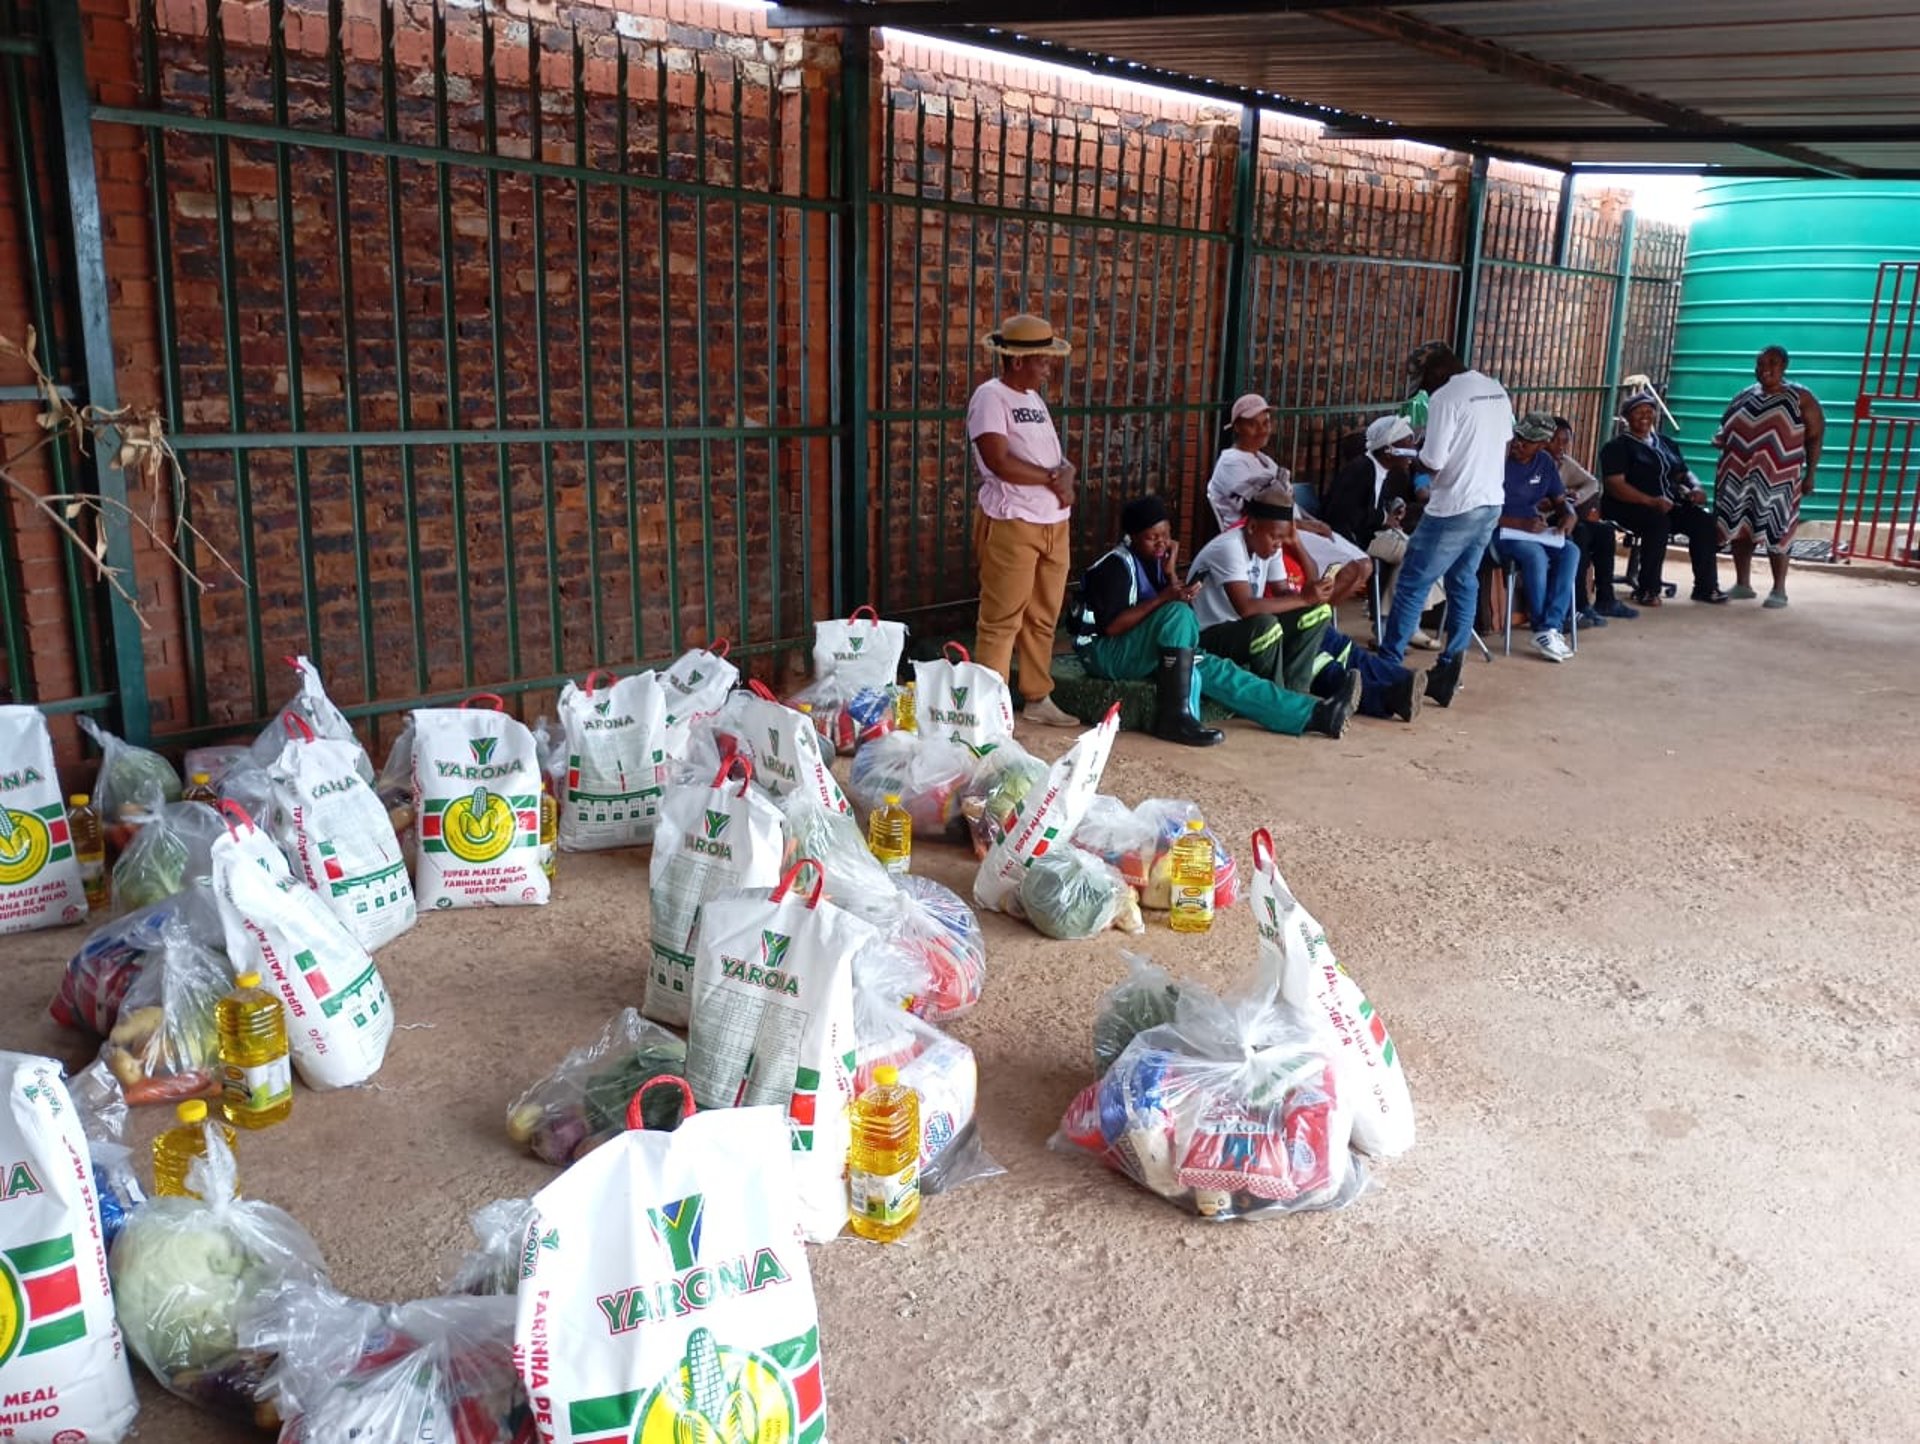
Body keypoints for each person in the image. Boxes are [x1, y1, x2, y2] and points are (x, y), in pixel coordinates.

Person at [1072, 495, 1360, 743]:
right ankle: (1177, 719)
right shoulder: (1115, 566)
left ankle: (1315, 715)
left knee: (1225, 674)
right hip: (1102, 653)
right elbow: (1112, 627)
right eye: (1152, 537)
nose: (1161, 543)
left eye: (1165, 534)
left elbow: (1161, 604)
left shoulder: (1154, 562)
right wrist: (1165, 599)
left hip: (1146, 646)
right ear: (1131, 536)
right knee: (1179, 613)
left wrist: (1171, 574)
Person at [1375, 341, 1515, 708]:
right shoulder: (1495, 389)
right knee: (1463, 579)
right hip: (1490, 501)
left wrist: (1419, 460)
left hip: (1454, 506)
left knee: (1411, 583)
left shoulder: (1446, 397)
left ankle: (1388, 666)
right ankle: (1451, 665)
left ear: (1438, 372)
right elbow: (1502, 445)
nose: (1427, 390)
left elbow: (1434, 460)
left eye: (1425, 382)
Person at [967, 313, 1081, 727]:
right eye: (1042, 360)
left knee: (1043, 614)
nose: (1048, 367)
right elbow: (998, 461)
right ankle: (990, 710)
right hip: (1013, 519)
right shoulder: (990, 397)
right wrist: (1054, 478)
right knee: (1002, 617)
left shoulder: (1032, 398)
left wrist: (1063, 474)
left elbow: (1048, 456)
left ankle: (1037, 697)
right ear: (1018, 361)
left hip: (1053, 522)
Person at [1206, 394, 1371, 611]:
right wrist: (1306, 526)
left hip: (1292, 526)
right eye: (1252, 424)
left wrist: (1314, 522)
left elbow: (1288, 503)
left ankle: (1315, 620)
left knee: (1364, 565)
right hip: (1266, 534)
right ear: (1237, 427)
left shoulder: (1265, 461)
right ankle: (1311, 621)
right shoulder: (1231, 462)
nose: (1262, 429)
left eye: (1265, 423)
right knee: (1347, 570)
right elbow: (1263, 514)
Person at [1188, 486, 1341, 699]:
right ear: (1251, 527)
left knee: (1317, 611)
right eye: (1275, 537)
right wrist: (1303, 598)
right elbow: (1246, 608)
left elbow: (1283, 593)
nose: (1278, 545)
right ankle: (1278, 700)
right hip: (1208, 635)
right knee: (1264, 626)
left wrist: (1296, 545)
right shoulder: (1229, 547)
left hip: (1240, 629)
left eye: (1283, 539)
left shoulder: (1268, 546)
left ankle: (1296, 692)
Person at [1714, 345, 1825, 608]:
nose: (1766, 369)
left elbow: (1815, 437)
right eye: (1761, 363)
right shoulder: (1744, 395)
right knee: (1740, 528)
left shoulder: (1800, 398)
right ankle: (1743, 583)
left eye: (1772, 363)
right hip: (1738, 477)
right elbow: (1724, 426)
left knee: (1779, 530)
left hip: (1779, 479)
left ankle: (1779, 589)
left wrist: (1811, 474)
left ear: (1784, 366)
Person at [1599, 390, 1727, 606]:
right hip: (1628, 506)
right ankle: (1648, 589)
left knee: (1703, 522)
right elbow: (1615, 486)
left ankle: (1706, 588)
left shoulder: (1665, 442)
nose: (1645, 416)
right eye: (1638, 412)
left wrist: (1695, 487)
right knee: (1658, 523)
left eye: (1649, 411)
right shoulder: (1617, 447)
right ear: (1626, 418)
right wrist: (1650, 501)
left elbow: (1682, 472)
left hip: (1667, 504)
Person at [1322, 412, 1433, 644]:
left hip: (1370, 534)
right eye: (1407, 443)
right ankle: (1392, 623)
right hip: (1354, 539)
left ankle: (1400, 622)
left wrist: (1393, 510)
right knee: (1415, 556)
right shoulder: (1362, 470)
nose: (1412, 449)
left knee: (1421, 555)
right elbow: (1345, 514)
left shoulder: (1383, 471)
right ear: (1389, 448)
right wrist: (1383, 518)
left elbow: (1376, 504)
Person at [1496, 412, 1581, 663]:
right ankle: (1540, 627)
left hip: (1531, 529)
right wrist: (1518, 523)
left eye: (1528, 441)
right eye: (1518, 437)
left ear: (1543, 444)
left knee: (1571, 551)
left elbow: (1560, 500)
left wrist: (1569, 514)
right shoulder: (1498, 459)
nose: (1519, 444)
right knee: (1535, 555)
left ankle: (1551, 625)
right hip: (1499, 531)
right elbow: (1482, 509)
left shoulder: (1544, 463)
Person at [1549, 415, 1636, 626]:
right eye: (1556, 441)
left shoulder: (1565, 464)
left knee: (1604, 532)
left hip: (1563, 516)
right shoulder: (1535, 463)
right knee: (1580, 534)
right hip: (1540, 521)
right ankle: (1578, 605)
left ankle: (1605, 598)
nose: (1561, 447)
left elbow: (1592, 483)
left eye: (1565, 442)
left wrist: (1575, 496)